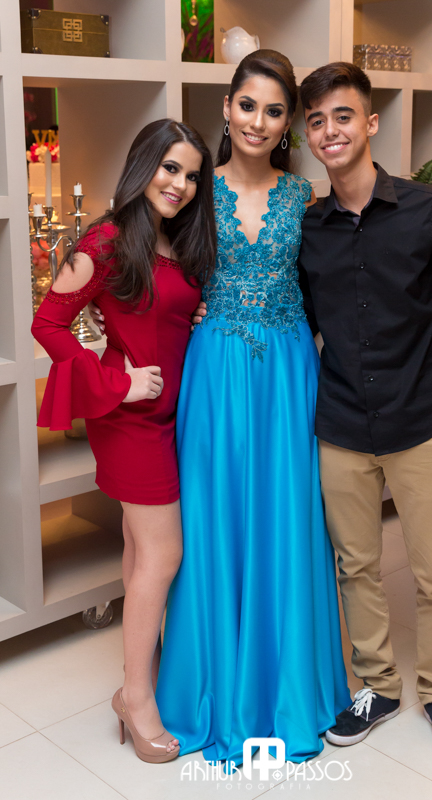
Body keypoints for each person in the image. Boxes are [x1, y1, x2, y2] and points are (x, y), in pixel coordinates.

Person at [155, 50, 350, 767]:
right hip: (214, 371)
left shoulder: (304, 195)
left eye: (274, 111)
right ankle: (213, 688)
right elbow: (150, 268)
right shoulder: (191, 188)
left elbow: (332, 282)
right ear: (227, 106)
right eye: (247, 106)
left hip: (288, 371)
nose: (258, 123)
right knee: (213, 518)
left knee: (284, 516)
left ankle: (284, 688)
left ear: (287, 122)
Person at [296, 62, 432, 763]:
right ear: (308, 135)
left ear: (370, 123)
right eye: (316, 121)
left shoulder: (426, 209)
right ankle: (377, 686)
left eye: (342, 116)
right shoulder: (308, 228)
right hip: (341, 424)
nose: (329, 131)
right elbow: (294, 319)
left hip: (423, 418)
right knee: (355, 566)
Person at [31, 119, 217, 764]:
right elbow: (48, 323)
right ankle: (136, 699)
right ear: (144, 167)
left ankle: (135, 683)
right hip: (131, 419)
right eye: (170, 168)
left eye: (191, 175)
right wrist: (118, 380)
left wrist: (190, 311)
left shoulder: (174, 240)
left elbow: (164, 312)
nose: (181, 184)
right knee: (164, 556)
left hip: (173, 416)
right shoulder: (108, 239)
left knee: (142, 553)